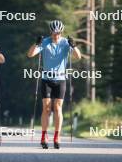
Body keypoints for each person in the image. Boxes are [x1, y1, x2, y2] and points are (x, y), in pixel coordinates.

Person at [27, 20, 81, 149]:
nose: (56, 35)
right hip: (46, 79)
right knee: (46, 108)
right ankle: (44, 136)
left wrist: (73, 46)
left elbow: (78, 57)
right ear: (50, 32)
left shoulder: (65, 43)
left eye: (58, 33)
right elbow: (30, 54)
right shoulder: (45, 42)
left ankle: (57, 136)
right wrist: (36, 44)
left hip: (60, 80)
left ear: (61, 32)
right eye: (54, 33)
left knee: (57, 108)